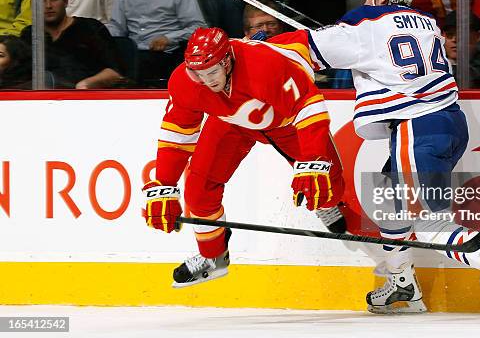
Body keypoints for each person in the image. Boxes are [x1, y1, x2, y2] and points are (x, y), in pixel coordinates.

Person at [273, 0, 480, 321]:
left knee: (430, 224)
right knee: (391, 201)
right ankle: (403, 284)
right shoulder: (426, 22)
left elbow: (307, 49)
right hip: (448, 122)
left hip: (417, 127)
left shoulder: (365, 22)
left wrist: (261, 47)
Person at [141, 27, 347, 288]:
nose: (206, 81)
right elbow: (177, 133)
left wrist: (314, 161)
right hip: (230, 122)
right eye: (198, 74)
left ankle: (327, 203)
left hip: (285, 123)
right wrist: (165, 185)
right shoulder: (185, 81)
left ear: (227, 60)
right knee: (198, 190)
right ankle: (213, 256)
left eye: (212, 71)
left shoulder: (263, 64)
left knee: (328, 184)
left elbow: (308, 105)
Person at [21, 0, 124, 89]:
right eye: (42, 1)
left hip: (86, 97)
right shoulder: (28, 35)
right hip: (39, 101)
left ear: (66, 1)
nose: (48, 6)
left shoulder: (90, 28)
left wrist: (85, 85)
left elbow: (115, 73)